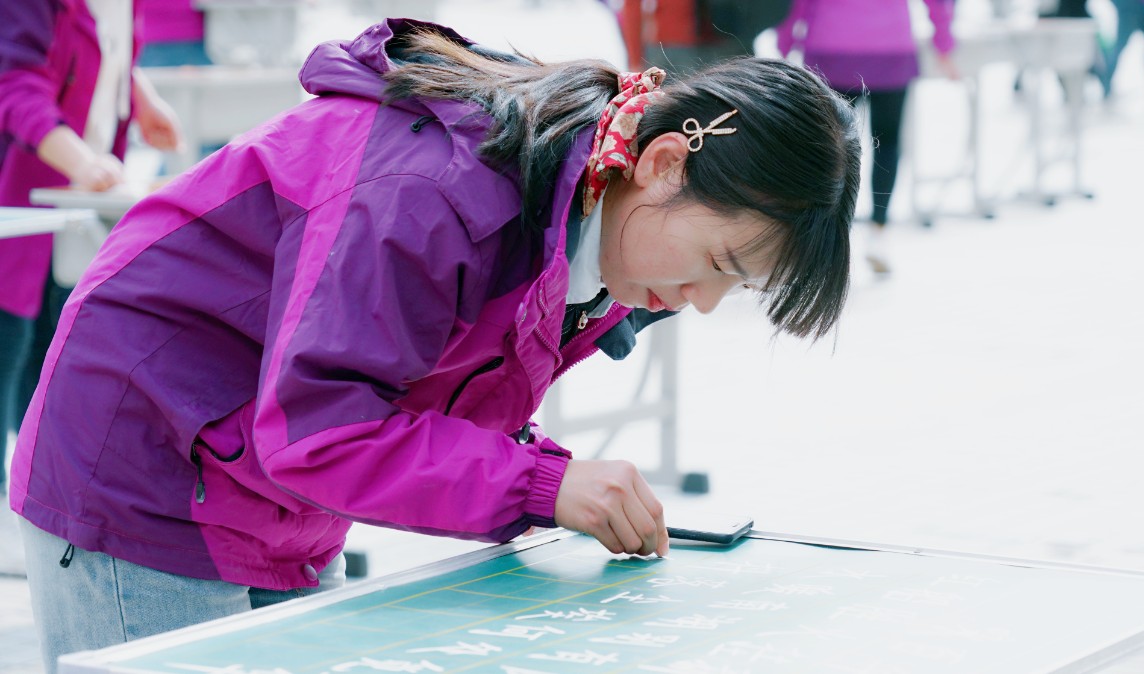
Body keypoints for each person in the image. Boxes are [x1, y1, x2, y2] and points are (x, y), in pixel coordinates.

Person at [10, 16, 861, 672]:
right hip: (141, 459)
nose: (704, 302)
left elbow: (419, 385)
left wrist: (549, 477)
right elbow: (320, 428)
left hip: (267, 476)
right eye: (718, 262)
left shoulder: (582, 225)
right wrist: (541, 483)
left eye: (737, 287)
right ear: (668, 161)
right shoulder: (438, 190)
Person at [0, 0, 182, 498]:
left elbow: (103, 43)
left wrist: (140, 98)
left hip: (70, 213)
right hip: (19, 201)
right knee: (9, 350)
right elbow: (14, 82)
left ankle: (36, 503)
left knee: (55, 358)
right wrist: (81, 161)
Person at [776, 0, 956, 275]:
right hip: (890, 47)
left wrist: (786, 42)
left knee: (831, 148)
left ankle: (829, 240)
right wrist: (943, 43)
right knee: (888, 144)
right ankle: (878, 234)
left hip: (831, 48)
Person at [1102, 0, 1144, 103]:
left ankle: (1105, 88)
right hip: (1133, 6)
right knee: (1121, 46)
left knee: (1121, 46)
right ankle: (1105, 88)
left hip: (1134, 5)